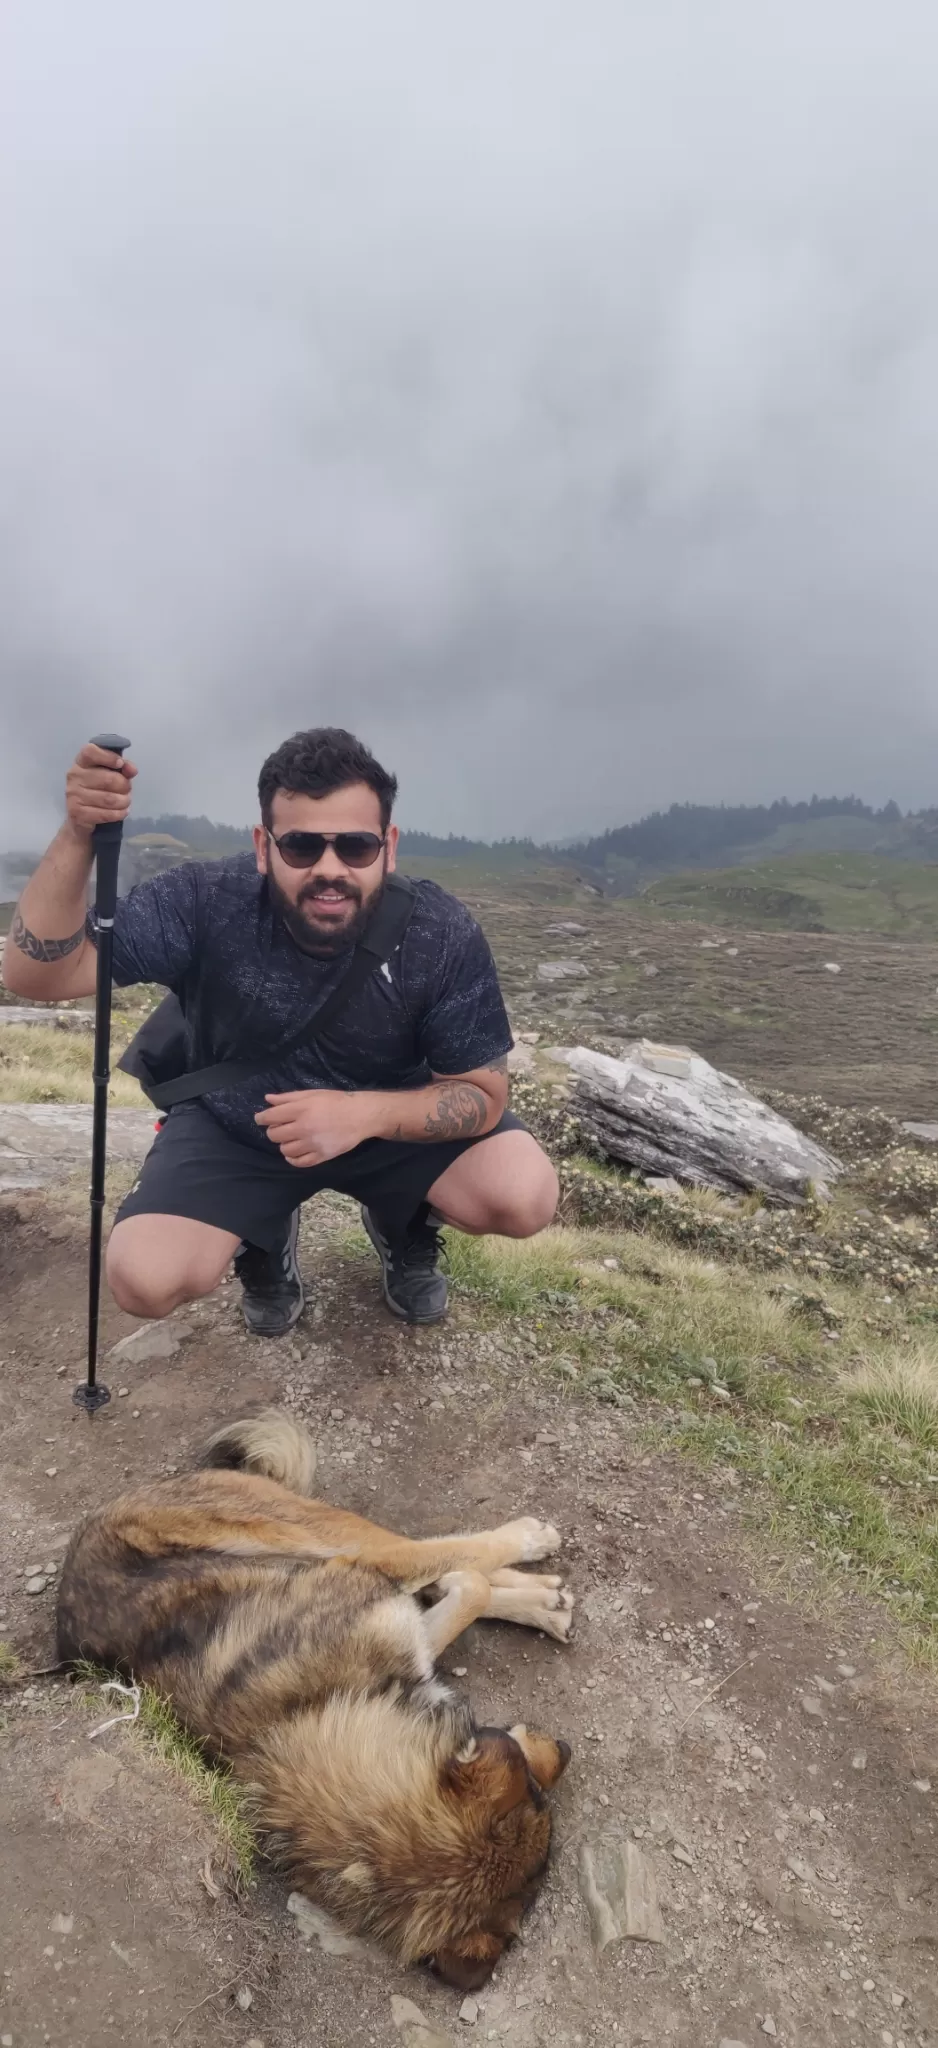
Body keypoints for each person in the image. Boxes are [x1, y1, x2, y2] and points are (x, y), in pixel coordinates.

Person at [3, 729, 559, 1336]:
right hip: (237, 1129)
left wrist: (360, 1116)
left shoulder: (440, 932)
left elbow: (481, 1094)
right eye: (299, 846)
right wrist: (80, 832)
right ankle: (261, 1237)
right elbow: (37, 975)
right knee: (144, 1279)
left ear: (389, 846)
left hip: (390, 1125)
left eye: (355, 845)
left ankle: (405, 1224)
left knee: (523, 1194)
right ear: (263, 847)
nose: (329, 869)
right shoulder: (204, 900)